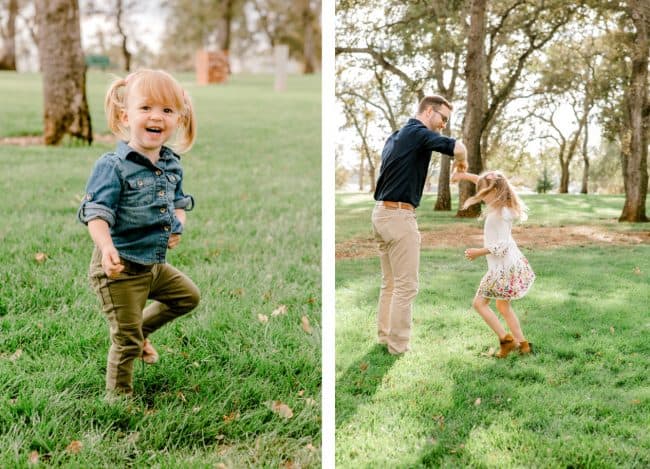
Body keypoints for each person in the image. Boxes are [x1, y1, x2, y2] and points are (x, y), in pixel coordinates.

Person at [77, 69, 200, 397]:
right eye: (146, 108)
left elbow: (179, 204)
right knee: (125, 340)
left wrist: (178, 227)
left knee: (188, 297)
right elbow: (97, 214)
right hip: (119, 270)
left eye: (167, 110)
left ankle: (138, 330)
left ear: (178, 119)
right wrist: (106, 248)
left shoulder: (171, 164)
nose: (156, 116)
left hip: (153, 265)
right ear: (125, 115)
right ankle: (118, 399)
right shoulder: (113, 166)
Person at [372, 95, 468, 355]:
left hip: (381, 213)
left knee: (390, 283)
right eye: (443, 118)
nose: (443, 125)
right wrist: (462, 164)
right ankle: (398, 346)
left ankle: (385, 337)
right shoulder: (417, 133)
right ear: (428, 111)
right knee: (406, 286)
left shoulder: (396, 135)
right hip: (399, 216)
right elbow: (459, 147)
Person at [451, 170, 535, 358]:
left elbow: (502, 245)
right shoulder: (503, 208)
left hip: (502, 268)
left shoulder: (500, 214)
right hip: (507, 265)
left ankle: (507, 341)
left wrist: (477, 252)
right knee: (503, 307)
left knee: (479, 304)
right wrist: (464, 175)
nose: (480, 194)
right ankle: (524, 345)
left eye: (484, 191)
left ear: (495, 191)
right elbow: (483, 180)